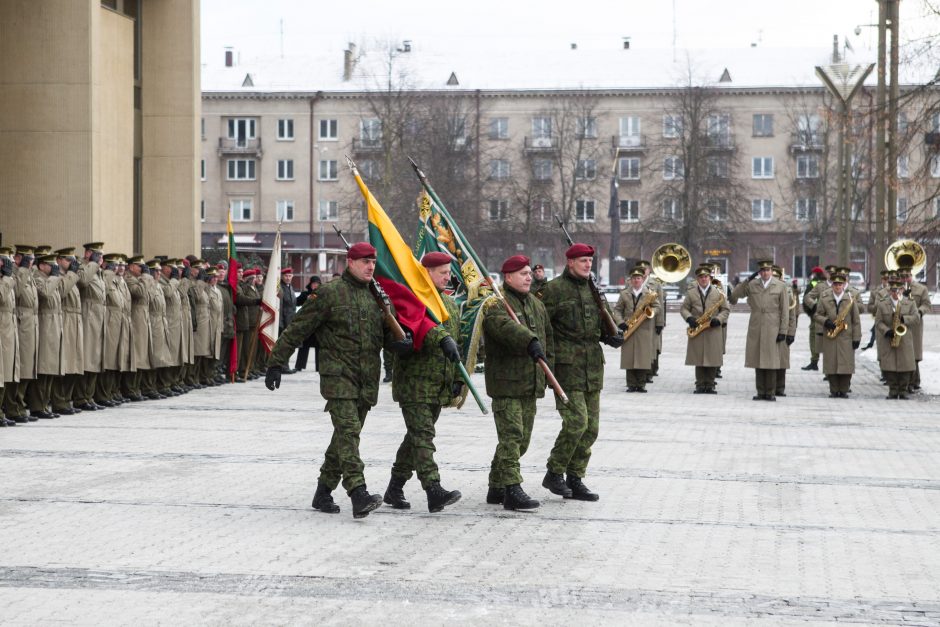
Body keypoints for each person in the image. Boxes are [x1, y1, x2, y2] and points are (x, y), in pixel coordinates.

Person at [264, 242, 413, 519]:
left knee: (343, 440)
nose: (370, 266)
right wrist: (275, 362)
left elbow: (387, 336)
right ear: (351, 262)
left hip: (366, 380)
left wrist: (400, 345)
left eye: (373, 261)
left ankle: (323, 492)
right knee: (349, 435)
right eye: (365, 261)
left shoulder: (376, 296)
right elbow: (298, 328)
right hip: (338, 378)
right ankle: (358, 493)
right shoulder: (329, 294)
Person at [540, 243, 620, 502]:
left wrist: (613, 336)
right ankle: (554, 472)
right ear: (570, 262)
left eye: (590, 261)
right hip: (566, 368)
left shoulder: (593, 290)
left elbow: (603, 324)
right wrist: (545, 364)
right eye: (583, 260)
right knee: (576, 422)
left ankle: (575, 478)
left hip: (592, 368)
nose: (588, 265)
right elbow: (542, 328)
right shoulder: (553, 290)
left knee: (591, 428)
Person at [383, 252, 463, 513]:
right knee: (423, 437)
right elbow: (409, 332)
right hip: (415, 384)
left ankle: (395, 488)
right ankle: (433, 489)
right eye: (442, 272)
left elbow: (456, 346)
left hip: (438, 384)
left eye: (448, 271)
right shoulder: (412, 300)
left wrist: (458, 379)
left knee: (414, 439)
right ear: (426, 273)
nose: (447, 276)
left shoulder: (449, 305)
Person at [482, 254, 553, 511]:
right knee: (511, 437)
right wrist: (528, 339)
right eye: (522, 274)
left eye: (529, 273)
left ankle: (496, 485)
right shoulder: (496, 303)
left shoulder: (536, 304)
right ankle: (512, 489)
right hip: (506, 383)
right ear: (508, 277)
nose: (528, 277)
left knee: (521, 441)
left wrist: (548, 374)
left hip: (530, 384)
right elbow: (501, 327)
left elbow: (547, 344)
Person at [730, 259, 788, 401]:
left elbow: (785, 310)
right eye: (762, 271)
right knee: (758, 359)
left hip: (773, 325)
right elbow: (734, 295)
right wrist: (747, 279)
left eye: (767, 270)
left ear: (771, 271)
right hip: (756, 324)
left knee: (771, 360)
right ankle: (760, 391)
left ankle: (770, 392)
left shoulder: (780, 286)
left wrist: (783, 331)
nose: (765, 273)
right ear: (759, 272)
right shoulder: (753, 284)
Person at [679, 265, 730, 394]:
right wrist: (689, 318)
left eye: (706, 276)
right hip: (697, 328)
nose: (704, 279)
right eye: (701, 277)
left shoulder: (718, 292)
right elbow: (684, 308)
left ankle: (711, 384)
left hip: (713, 328)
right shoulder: (691, 293)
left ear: (710, 278)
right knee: (699, 357)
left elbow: (725, 309)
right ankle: (700, 384)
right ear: (697, 279)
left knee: (712, 357)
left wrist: (718, 319)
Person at [813, 273, 861, 398]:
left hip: (846, 337)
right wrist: (826, 322)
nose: (838, 287)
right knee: (831, 364)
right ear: (832, 285)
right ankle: (834, 390)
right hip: (830, 336)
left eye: (840, 284)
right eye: (835, 284)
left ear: (844, 285)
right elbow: (817, 315)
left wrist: (857, 338)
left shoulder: (850, 299)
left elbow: (856, 321)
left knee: (846, 365)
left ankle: (844, 390)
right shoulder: (824, 298)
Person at [613, 267, 659, 393]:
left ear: (642, 279)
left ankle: (641, 384)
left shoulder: (649, 293)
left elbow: (657, 306)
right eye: (634, 278)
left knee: (642, 357)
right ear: (630, 280)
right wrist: (620, 322)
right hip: (629, 328)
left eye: (638, 278)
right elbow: (617, 310)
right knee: (629, 357)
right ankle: (631, 384)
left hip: (644, 329)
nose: (636, 280)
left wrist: (651, 312)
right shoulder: (624, 293)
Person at [75, 242, 107, 411]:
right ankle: (81, 397)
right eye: (97, 255)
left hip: (99, 316)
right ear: (87, 254)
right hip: (88, 315)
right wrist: (93, 263)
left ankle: (89, 395)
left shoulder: (98, 271)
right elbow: (83, 282)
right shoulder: (82, 266)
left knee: (96, 358)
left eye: (101, 256)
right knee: (87, 358)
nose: (100, 258)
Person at [53, 248, 85, 414]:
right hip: (65, 320)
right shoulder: (57, 275)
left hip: (75, 320)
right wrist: (72, 273)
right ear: (58, 260)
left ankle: (66, 400)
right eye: (68, 260)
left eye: (73, 260)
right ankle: (59, 401)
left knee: (75, 363)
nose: (72, 263)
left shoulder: (71, 274)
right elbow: (62, 291)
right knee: (64, 364)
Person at [875, 278, 920, 399]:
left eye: (898, 290)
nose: (896, 293)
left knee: (905, 366)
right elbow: (878, 322)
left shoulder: (910, 302)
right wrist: (886, 331)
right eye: (893, 290)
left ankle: (903, 390)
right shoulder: (883, 303)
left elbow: (916, 318)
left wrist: (904, 319)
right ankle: (893, 390)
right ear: (890, 291)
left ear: (902, 289)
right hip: (889, 339)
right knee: (890, 367)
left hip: (905, 339)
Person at [900, 266, 930, 392]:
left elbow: (927, 305)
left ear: (911, 276)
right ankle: (908, 382)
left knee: (914, 354)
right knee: (903, 352)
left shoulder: (921, 288)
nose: (905, 279)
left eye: (907, 276)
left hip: (915, 325)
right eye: (902, 277)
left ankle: (913, 382)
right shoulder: (896, 289)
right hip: (901, 323)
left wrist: (918, 312)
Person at [0, 247, 19, 426]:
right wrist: (6, 278)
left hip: (8, 327)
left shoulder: (6, 278)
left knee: (7, 372)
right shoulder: (5, 279)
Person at [772, 265, 797, 397]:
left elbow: (792, 314)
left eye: (777, 277)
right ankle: (769, 386)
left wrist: (791, 333)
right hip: (770, 329)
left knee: (782, 361)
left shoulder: (787, 291)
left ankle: (780, 388)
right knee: (769, 360)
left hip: (784, 330)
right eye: (773, 277)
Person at [801, 265, 828, 370]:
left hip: (816, 315)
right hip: (827, 315)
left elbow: (806, 298)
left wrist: (811, 312)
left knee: (814, 337)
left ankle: (814, 361)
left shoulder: (813, 283)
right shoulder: (828, 283)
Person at [294, 275, 321, 372]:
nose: (315, 286)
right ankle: (299, 365)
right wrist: (306, 299)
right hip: (307, 324)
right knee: (304, 345)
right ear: (310, 285)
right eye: (314, 284)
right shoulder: (305, 294)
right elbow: (296, 303)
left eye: (317, 284)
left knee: (319, 346)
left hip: (318, 324)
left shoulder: (323, 294)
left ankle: (319, 367)